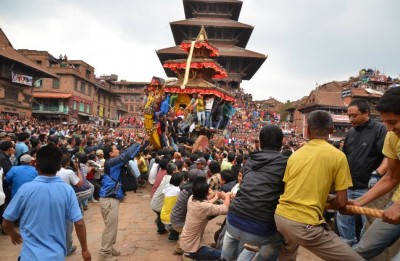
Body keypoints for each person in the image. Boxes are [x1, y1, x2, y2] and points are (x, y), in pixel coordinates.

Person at [274, 110, 364, 261]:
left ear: (308, 130)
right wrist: (334, 202)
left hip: (281, 218)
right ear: (331, 130)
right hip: (305, 226)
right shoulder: (338, 156)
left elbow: (290, 190)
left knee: (287, 255)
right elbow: (342, 202)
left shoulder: (295, 155)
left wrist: (326, 198)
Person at [2, 144, 91, 261]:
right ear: (59, 168)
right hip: (56, 256)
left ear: (36, 165)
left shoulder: (26, 189)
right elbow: (79, 223)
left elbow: (6, 223)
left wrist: (13, 234)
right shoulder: (67, 190)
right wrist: (85, 250)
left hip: (29, 257)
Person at [222, 125, 288, 261]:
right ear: (281, 143)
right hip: (260, 228)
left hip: (232, 219)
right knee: (280, 240)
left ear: (260, 142)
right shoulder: (286, 163)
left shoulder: (252, 159)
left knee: (234, 243)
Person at [350, 87, 400, 260]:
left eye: (393, 122)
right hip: (394, 204)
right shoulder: (393, 137)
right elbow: (392, 177)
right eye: (385, 122)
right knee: (359, 251)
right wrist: (358, 202)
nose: (389, 128)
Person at [336, 99, 387, 246]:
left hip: (368, 189)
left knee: (368, 227)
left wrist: (377, 174)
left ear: (366, 113)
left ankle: (361, 252)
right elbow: (344, 157)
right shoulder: (350, 133)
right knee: (344, 224)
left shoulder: (380, 130)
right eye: (349, 116)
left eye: (355, 115)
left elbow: (387, 157)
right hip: (349, 187)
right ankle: (348, 251)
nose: (351, 119)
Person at [98, 140, 141, 261]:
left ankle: (110, 248)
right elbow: (126, 155)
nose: (118, 150)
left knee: (113, 224)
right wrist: (137, 143)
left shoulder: (112, 162)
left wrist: (142, 143)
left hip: (111, 199)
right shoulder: (112, 163)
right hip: (108, 199)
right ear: (111, 153)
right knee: (110, 226)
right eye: (115, 149)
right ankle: (104, 253)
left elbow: (126, 154)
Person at [180, 176, 231, 261]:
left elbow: (206, 202)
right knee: (223, 256)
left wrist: (216, 196)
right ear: (205, 192)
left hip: (185, 243)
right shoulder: (205, 207)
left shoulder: (191, 198)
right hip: (193, 250)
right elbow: (225, 209)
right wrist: (227, 196)